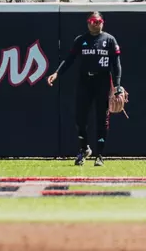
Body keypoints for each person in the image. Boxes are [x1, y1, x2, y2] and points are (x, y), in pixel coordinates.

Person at [47, 11, 123, 167]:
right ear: (87, 22)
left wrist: (117, 86)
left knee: (102, 119)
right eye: (92, 21)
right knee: (80, 119)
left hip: (102, 81)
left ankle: (100, 155)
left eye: (98, 21)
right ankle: (84, 149)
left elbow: (116, 65)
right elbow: (69, 60)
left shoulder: (109, 40)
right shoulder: (81, 40)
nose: (94, 24)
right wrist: (57, 73)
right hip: (85, 81)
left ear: (103, 22)